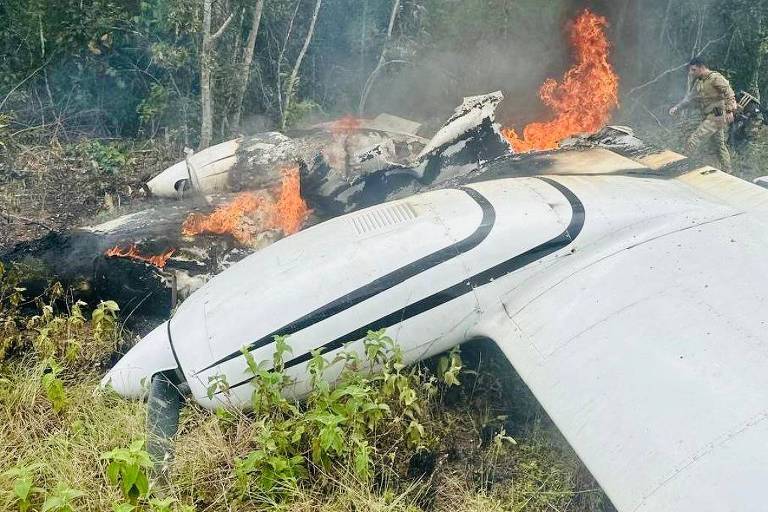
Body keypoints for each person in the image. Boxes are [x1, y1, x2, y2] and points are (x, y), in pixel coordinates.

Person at [669, 57, 737, 173]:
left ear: (701, 67)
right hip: (709, 115)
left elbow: (729, 92)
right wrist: (677, 107)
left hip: (717, 114)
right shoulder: (700, 81)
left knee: (694, 139)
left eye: (693, 70)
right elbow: (690, 98)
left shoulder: (715, 78)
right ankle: (728, 171)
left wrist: (730, 111)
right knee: (719, 145)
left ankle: (682, 166)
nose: (691, 73)